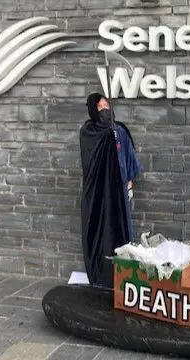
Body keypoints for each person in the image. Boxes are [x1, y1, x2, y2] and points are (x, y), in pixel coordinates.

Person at [79, 92, 143, 289]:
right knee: (97, 232)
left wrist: (129, 185)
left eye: (107, 105)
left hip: (117, 193)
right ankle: (99, 275)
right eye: (100, 107)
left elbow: (128, 158)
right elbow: (89, 161)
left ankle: (121, 275)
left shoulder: (119, 130)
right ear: (93, 110)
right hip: (96, 194)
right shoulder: (88, 131)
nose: (105, 109)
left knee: (119, 230)